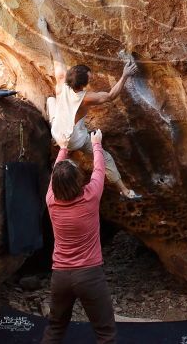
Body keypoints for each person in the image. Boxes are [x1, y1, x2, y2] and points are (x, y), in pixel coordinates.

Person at [38, 17, 141, 200]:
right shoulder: (85, 98)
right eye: (89, 78)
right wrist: (125, 75)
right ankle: (124, 190)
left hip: (56, 131)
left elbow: (55, 52)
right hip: (74, 139)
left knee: (52, 101)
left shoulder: (61, 79)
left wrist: (44, 29)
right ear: (82, 86)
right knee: (105, 157)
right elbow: (110, 96)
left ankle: (60, 144)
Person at [43, 129, 116, 344]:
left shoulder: (51, 201)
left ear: (55, 185)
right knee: (105, 333)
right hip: (90, 275)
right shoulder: (90, 196)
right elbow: (100, 170)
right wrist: (96, 144)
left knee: (55, 328)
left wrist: (63, 148)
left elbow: (56, 172)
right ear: (78, 182)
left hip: (60, 277)